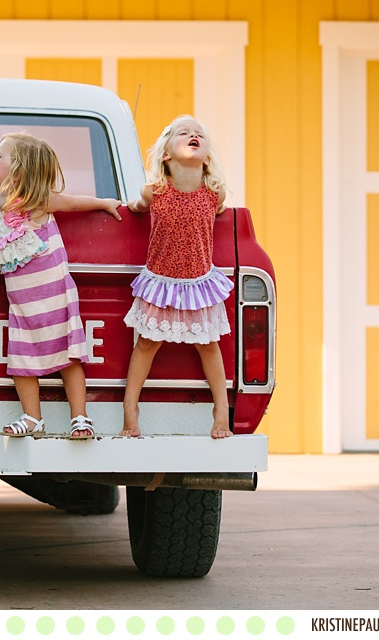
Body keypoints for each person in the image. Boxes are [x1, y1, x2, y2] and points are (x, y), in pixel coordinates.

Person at [0, 132, 122, 439]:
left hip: (55, 297)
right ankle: (33, 418)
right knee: (20, 361)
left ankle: (80, 417)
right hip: (21, 305)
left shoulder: (36, 202)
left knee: (68, 358)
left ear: (19, 171)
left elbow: (71, 203)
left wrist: (103, 202)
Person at [121, 115, 235, 439]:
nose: (193, 135)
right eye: (183, 133)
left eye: (199, 134)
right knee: (146, 344)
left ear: (207, 156)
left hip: (198, 281)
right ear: (166, 155)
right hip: (161, 281)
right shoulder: (155, 190)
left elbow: (219, 215)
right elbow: (137, 206)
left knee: (209, 346)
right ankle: (131, 409)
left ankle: (220, 411)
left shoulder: (215, 194)